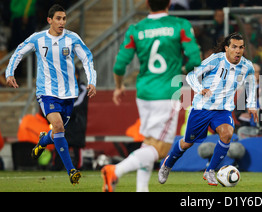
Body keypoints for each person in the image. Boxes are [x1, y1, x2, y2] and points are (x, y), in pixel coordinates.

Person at [100, 0, 201, 192]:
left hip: (144, 93)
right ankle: (115, 170)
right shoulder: (180, 25)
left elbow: (120, 65)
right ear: (169, 3)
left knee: (149, 142)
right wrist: (182, 70)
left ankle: (142, 189)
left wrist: (119, 87)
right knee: (161, 149)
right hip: (166, 93)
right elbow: (195, 59)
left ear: (147, 3)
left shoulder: (136, 29)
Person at [5, 4, 97, 185]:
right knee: (58, 126)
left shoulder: (72, 38)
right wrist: (9, 72)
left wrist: (92, 80)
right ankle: (72, 171)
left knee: (57, 131)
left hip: (69, 93)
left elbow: (87, 58)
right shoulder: (38, 39)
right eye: (58, 19)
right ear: (49, 20)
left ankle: (42, 141)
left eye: (64, 18)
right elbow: (18, 52)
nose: (62, 22)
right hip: (46, 92)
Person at [158, 32, 258, 186]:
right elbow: (192, 75)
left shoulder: (247, 66)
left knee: (227, 134)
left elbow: (251, 82)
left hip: (223, 110)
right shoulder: (215, 60)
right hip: (202, 108)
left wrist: (251, 104)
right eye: (234, 47)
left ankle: (210, 170)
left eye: (241, 47)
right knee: (187, 143)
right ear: (226, 48)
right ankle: (167, 164)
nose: (238, 50)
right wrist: (199, 88)